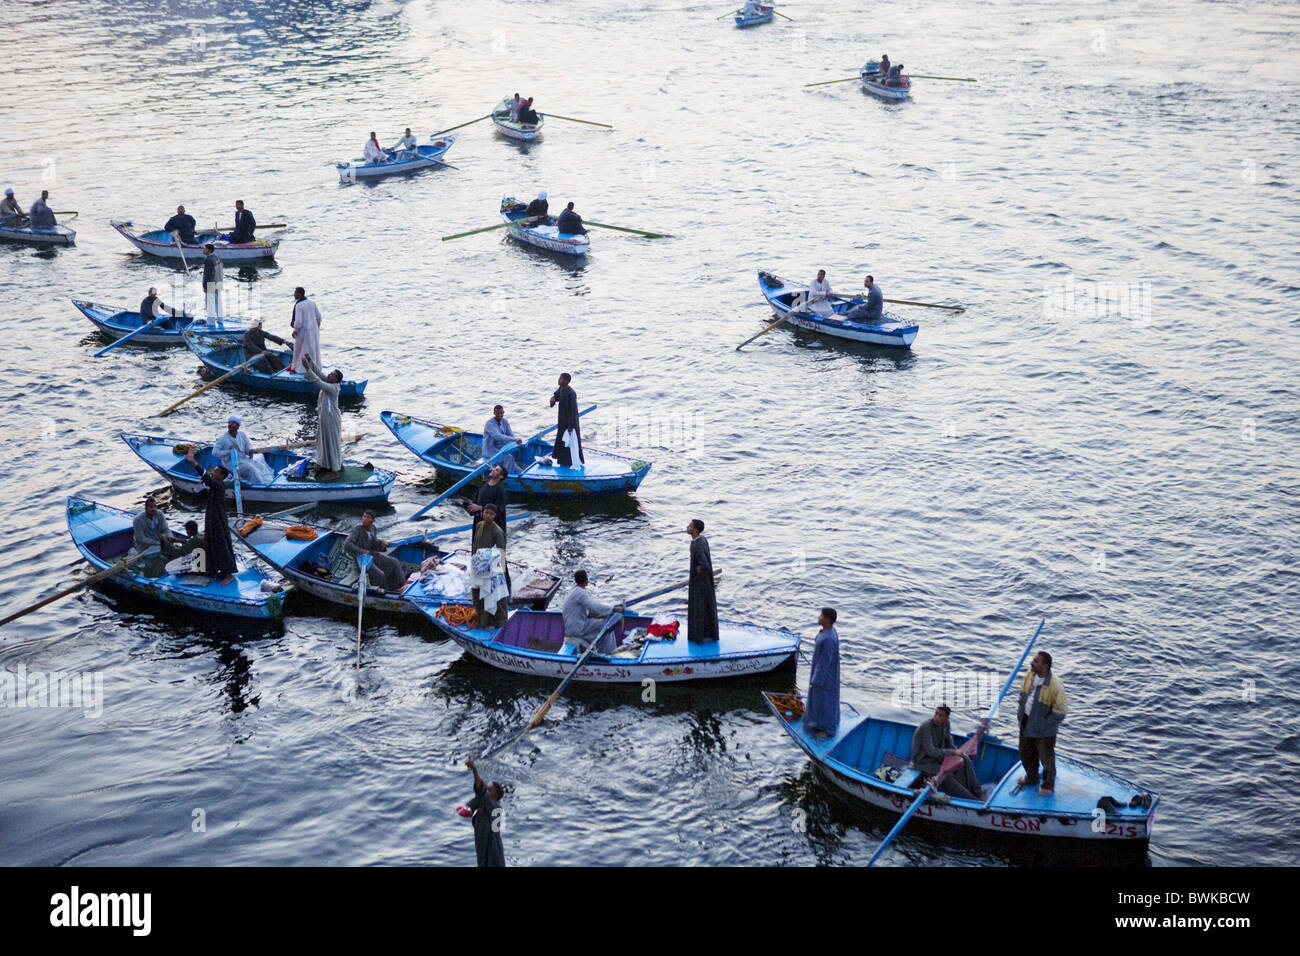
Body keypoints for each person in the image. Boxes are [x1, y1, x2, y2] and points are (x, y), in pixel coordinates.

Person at [1017, 651, 1068, 796]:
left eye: (1036, 661)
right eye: (1033, 660)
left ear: (1045, 666)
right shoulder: (1030, 674)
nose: (1032, 663)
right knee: (1025, 753)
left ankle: (1048, 785)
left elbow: (1061, 711)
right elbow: (1022, 691)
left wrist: (1044, 725)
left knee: (1047, 758)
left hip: (1044, 731)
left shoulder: (1055, 686)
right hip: (1026, 722)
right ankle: (1031, 777)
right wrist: (1020, 712)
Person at [184, 451, 237, 584]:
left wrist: (194, 462)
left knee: (221, 544)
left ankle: (228, 574)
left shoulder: (219, 485)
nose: (213, 472)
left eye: (216, 471)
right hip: (211, 518)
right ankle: (213, 569)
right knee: (210, 542)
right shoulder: (214, 485)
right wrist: (199, 487)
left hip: (218, 519)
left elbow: (207, 478)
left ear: (221, 476)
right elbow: (202, 488)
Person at [911, 705, 983, 800]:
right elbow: (931, 751)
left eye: (941, 716)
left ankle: (977, 792)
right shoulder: (926, 727)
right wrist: (953, 751)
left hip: (937, 758)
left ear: (946, 718)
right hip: (923, 762)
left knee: (964, 758)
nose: (937, 717)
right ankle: (972, 799)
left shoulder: (946, 724)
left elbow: (949, 742)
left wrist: (957, 754)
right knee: (946, 777)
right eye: (936, 714)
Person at [301, 354, 344, 480]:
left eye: (332, 375)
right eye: (330, 374)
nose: (329, 375)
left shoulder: (332, 388)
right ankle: (332, 464)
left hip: (331, 419)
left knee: (331, 442)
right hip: (326, 418)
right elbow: (320, 374)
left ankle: (335, 470)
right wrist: (311, 362)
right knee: (325, 441)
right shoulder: (330, 381)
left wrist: (307, 369)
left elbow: (317, 381)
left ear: (336, 380)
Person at [562, 570, 623, 654]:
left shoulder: (574, 591)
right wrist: (613, 609)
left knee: (600, 623)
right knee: (607, 626)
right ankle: (610, 654)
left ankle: (601, 651)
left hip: (573, 627)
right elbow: (594, 606)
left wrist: (599, 615)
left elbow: (589, 609)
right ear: (586, 580)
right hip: (577, 629)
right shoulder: (580, 593)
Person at [345, 510, 407, 592]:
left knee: (394, 562)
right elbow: (347, 544)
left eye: (368, 517)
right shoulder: (357, 530)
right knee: (380, 574)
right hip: (361, 560)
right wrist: (362, 551)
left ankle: (403, 585)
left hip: (371, 555)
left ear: (373, 520)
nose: (364, 519)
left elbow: (374, 544)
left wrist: (382, 543)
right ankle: (386, 591)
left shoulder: (373, 528)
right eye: (364, 516)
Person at [471, 501, 509, 628]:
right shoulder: (479, 525)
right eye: (486, 513)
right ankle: (481, 619)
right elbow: (475, 544)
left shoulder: (497, 532)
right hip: (478, 566)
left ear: (495, 516)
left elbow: (501, 552)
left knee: (493, 596)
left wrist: (500, 572)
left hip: (491, 568)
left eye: (491, 514)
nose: (487, 515)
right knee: (477, 593)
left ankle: (497, 622)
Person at [804, 608, 840, 738]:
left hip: (826, 676)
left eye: (821, 616)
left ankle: (827, 730)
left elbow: (825, 661)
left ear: (827, 620)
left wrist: (817, 679)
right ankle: (816, 723)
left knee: (826, 701)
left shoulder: (829, 639)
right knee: (819, 700)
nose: (819, 617)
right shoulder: (827, 632)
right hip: (821, 671)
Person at [464, 757, 505, 867]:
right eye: (487, 789)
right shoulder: (486, 808)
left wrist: (474, 769)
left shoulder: (496, 808)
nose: (487, 792)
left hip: (493, 859)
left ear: (496, 795)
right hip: (483, 857)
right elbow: (477, 800)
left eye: (489, 789)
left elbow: (480, 791)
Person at [212, 415, 274, 484]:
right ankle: (259, 485)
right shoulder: (222, 439)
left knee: (260, 465)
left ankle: (268, 482)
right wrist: (229, 451)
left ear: (238, 426)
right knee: (251, 469)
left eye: (233, 423)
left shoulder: (242, 435)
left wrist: (250, 450)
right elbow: (214, 453)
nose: (230, 424)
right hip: (231, 463)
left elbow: (248, 445)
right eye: (229, 423)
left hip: (243, 459)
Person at [686, 519, 719, 643]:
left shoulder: (698, 544)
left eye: (690, 526)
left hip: (699, 583)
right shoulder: (701, 540)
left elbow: (704, 562)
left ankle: (700, 636)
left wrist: (700, 569)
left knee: (699, 608)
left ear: (695, 530)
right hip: (704, 581)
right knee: (705, 607)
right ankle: (708, 634)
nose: (687, 527)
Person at [132, 497, 181, 576]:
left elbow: (166, 529)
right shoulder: (137, 520)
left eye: (155, 506)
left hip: (160, 541)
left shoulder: (160, 514)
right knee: (156, 558)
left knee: (174, 551)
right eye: (151, 507)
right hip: (144, 546)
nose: (153, 509)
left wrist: (169, 539)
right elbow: (140, 539)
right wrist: (157, 543)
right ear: (145, 508)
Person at [548, 372, 584, 467]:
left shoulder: (571, 393)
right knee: (562, 441)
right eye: (559, 378)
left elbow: (573, 410)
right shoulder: (561, 389)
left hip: (570, 422)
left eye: (561, 379)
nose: (558, 380)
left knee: (571, 442)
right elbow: (556, 396)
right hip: (562, 421)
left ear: (566, 381)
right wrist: (552, 399)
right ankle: (563, 461)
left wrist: (571, 426)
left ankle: (572, 461)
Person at [288, 287, 322, 374]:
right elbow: (319, 317)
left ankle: (300, 368)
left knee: (301, 349)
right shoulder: (312, 302)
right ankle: (316, 366)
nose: (294, 294)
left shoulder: (299, 305)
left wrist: (295, 330)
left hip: (304, 331)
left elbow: (298, 321)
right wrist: (316, 327)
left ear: (299, 294)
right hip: (313, 330)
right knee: (313, 348)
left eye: (295, 293)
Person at [482, 405, 522, 473]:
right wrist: (514, 439)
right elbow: (498, 436)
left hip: (501, 448)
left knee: (517, 467)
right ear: (494, 413)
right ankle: (507, 475)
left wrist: (516, 441)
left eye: (501, 413)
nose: (500, 415)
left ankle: (514, 471)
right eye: (497, 413)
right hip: (490, 451)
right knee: (509, 457)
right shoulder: (489, 424)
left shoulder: (505, 421)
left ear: (503, 412)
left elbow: (510, 434)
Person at [202, 243, 223, 318]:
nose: (203, 250)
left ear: (209, 250)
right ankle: (220, 319)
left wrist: (205, 286)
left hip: (211, 283)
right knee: (218, 301)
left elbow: (207, 274)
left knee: (210, 302)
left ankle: (211, 321)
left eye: (204, 249)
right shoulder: (216, 257)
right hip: (219, 281)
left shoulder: (208, 259)